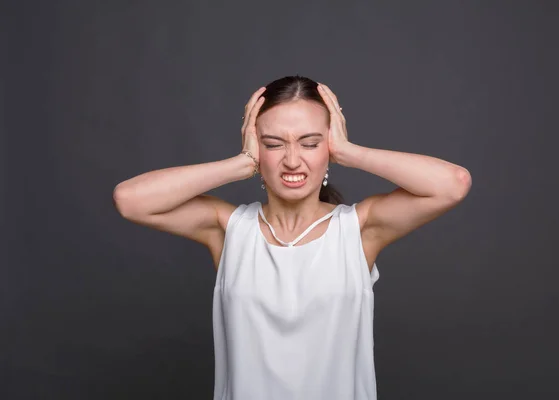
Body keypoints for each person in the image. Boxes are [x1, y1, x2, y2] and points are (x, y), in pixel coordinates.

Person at [113, 75, 472, 399]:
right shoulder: (229, 229)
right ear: (258, 149)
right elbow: (130, 201)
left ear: (328, 148)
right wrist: (239, 164)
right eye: (273, 144)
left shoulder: (358, 230)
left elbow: (452, 185)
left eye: (310, 143)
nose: (292, 160)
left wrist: (350, 152)